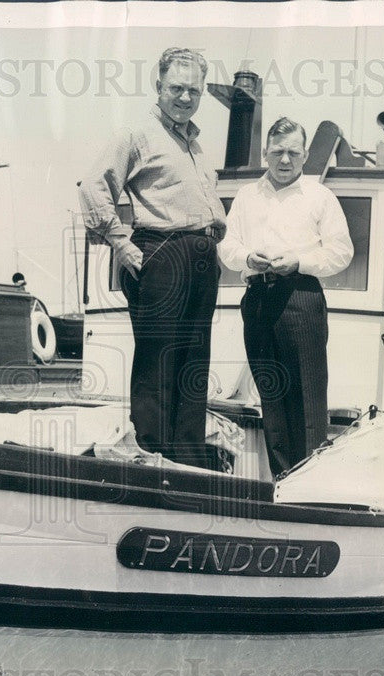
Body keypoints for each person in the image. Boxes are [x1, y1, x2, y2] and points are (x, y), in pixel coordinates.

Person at [78, 47, 227, 468]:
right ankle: (151, 454)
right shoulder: (136, 134)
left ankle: (188, 459)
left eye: (194, 90)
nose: (185, 97)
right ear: (158, 86)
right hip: (160, 254)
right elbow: (93, 186)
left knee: (193, 360)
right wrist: (122, 244)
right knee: (157, 361)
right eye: (176, 88)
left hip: (200, 258)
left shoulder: (195, 145)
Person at [219, 117, 354, 478]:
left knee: (308, 401)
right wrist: (247, 258)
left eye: (293, 152)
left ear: (306, 154)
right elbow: (227, 246)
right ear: (266, 152)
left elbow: (341, 252)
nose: (284, 160)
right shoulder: (247, 197)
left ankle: (310, 490)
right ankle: (281, 483)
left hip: (301, 297)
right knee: (272, 400)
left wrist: (300, 261)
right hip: (258, 300)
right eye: (277, 151)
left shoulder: (320, 197)